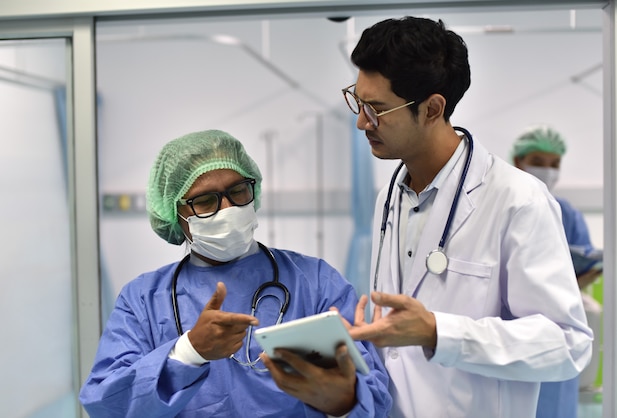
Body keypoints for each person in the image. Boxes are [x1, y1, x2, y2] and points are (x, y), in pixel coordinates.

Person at [340, 16, 593, 418]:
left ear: (432, 108)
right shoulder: (388, 198)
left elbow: (566, 344)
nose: (360, 122)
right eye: (357, 101)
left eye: (377, 109)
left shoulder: (516, 199)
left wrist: (439, 332)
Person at [79, 130, 392, 417]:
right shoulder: (144, 300)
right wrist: (189, 351)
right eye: (204, 201)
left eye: (238, 191)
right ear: (176, 215)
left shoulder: (316, 281)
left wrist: (342, 400)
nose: (227, 208)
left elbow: (375, 396)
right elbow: (107, 404)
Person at [512, 125, 604, 417]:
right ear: (519, 162)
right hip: (512, 326)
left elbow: (589, 265)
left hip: (558, 330)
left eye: (555, 165)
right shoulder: (502, 206)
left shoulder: (566, 213)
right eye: (538, 162)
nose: (548, 171)